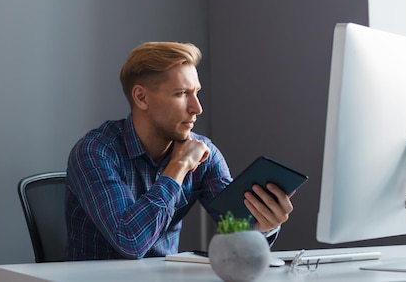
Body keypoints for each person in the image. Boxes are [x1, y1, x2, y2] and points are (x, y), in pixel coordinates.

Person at [65, 41, 294, 260]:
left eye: (196, 92)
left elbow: (236, 225)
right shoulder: (95, 152)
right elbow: (130, 241)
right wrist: (179, 166)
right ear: (141, 97)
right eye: (182, 94)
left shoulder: (203, 152)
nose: (197, 108)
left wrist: (262, 226)